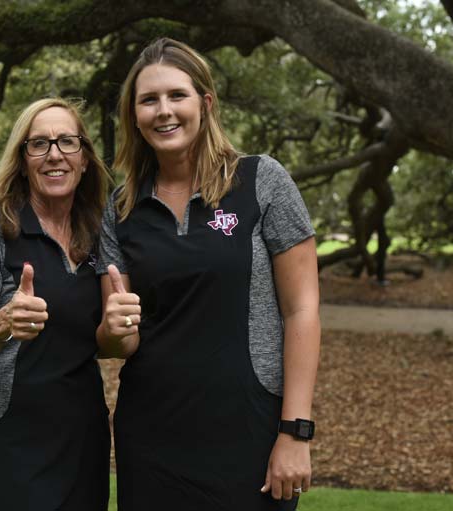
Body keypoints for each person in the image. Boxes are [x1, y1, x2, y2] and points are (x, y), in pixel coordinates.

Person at [96, 38, 321, 510]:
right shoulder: (119, 210)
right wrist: (112, 331)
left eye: (177, 95)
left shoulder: (262, 181)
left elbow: (302, 309)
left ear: (206, 102)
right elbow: (120, 341)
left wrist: (295, 431)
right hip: (152, 436)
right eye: (148, 100)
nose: (164, 111)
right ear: (134, 116)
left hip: (250, 431)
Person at [0, 97, 111, 511]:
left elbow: (102, 339)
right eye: (39, 144)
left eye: (67, 142)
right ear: (22, 160)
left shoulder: (100, 233)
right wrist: (1, 322)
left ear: (85, 158)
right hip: (10, 442)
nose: (54, 154)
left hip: (83, 441)